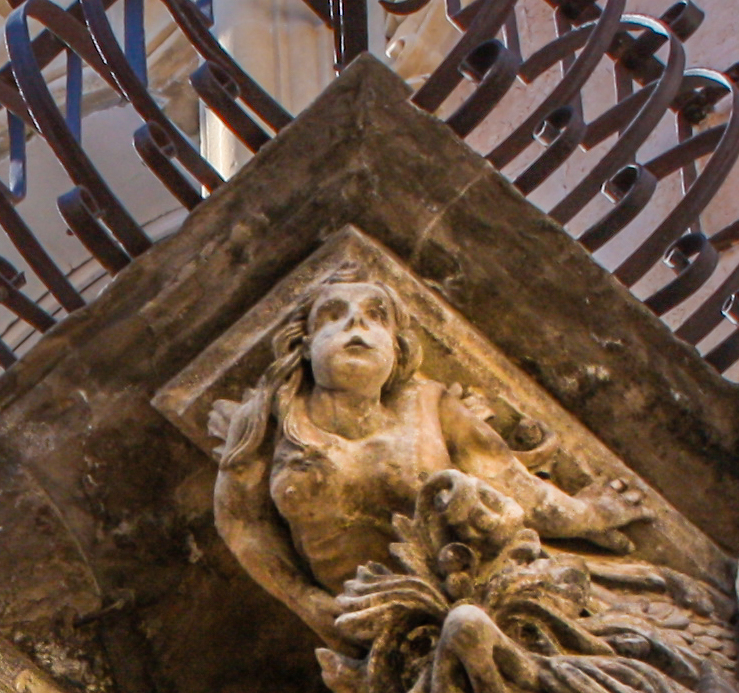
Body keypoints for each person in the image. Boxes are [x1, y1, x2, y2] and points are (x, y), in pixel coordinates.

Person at [212, 268, 650, 648]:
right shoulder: (267, 420)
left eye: (375, 316)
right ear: (305, 346)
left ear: (399, 349)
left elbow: (514, 484)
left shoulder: (428, 404)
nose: (355, 324)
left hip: (472, 588)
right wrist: (304, 601)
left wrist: (591, 513)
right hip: (373, 621)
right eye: (332, 315)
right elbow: (241, 521)